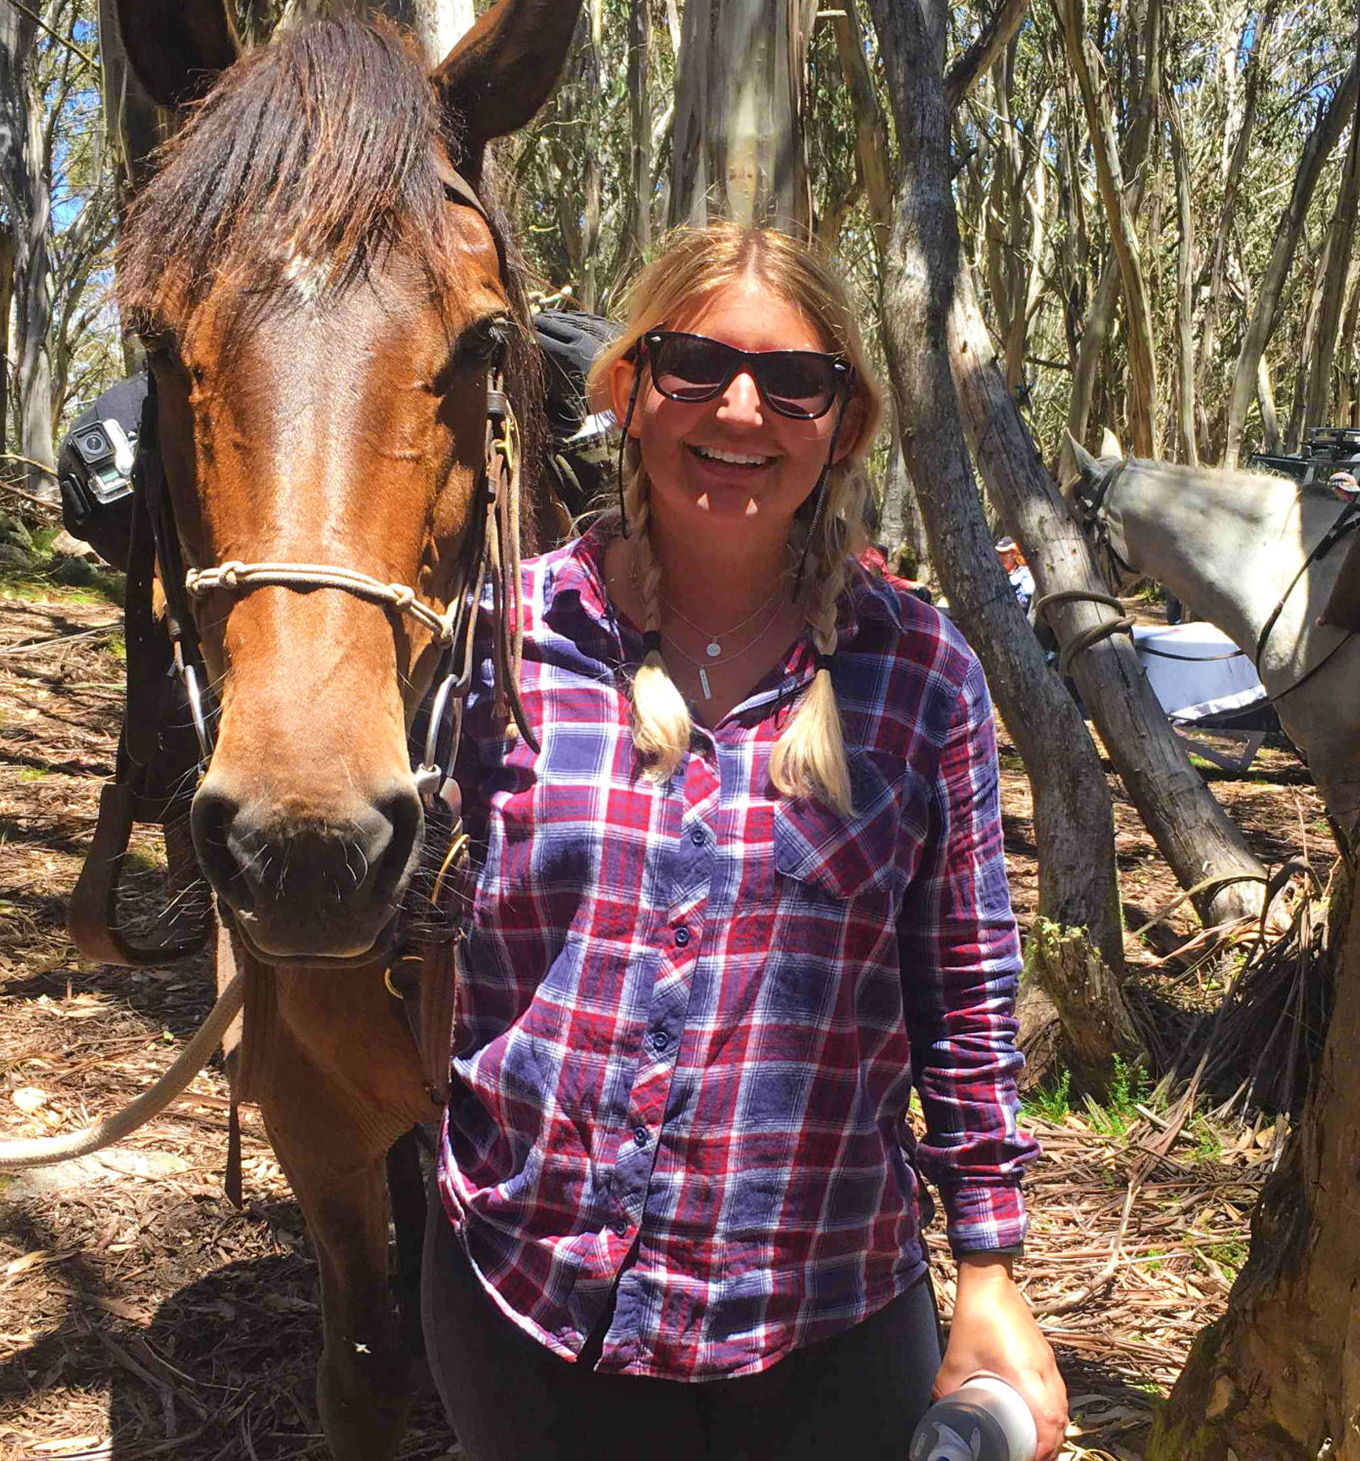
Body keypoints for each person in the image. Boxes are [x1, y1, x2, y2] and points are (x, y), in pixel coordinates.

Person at [427, 224, 1068, 1461]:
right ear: (624, 389)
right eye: (692, 365)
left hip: (819, 1317)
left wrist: (987, 1267)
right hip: (525, 1299)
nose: (739, 408)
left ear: (844, 422)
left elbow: (968, 997)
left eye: (792, 382)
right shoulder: (498, 642)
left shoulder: (919, 676)